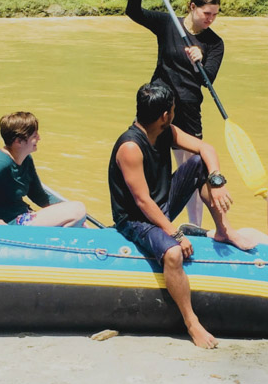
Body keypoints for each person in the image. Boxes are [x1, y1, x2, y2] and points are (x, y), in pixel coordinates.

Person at [108, 82, 255, 349]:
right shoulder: (130, 147)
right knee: (174, 254)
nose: (174, 113)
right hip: (135, 218)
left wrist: (217, 180)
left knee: (199, 164)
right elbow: (142, 202)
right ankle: (192, 322)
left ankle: (224, 231)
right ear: (165, 115)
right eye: (173, 110)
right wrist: (175, 233)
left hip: (160, 204)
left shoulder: (166, 131)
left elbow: (206, 149)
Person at [126, 0, 224, 227]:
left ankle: (195, 226)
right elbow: (133, 11)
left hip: (189, 111)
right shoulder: (169, 24)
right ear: (192, 7)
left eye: (215, 15)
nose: (210, 19)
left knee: (193, 170)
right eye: (206, 13)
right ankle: (146, 218)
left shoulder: (214, 43)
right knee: (150, 165)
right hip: (159, 108)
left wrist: (200, 59)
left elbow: (209, 79)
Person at [0, 112, 86, 227]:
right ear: (19, 141)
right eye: (34, 135)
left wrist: (64, 207)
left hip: (24, 215)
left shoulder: (25, 159)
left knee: (76, 209)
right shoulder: (0, 163)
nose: (39, 138)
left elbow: (39, 196)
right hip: (13, 223)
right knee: (78, 209)